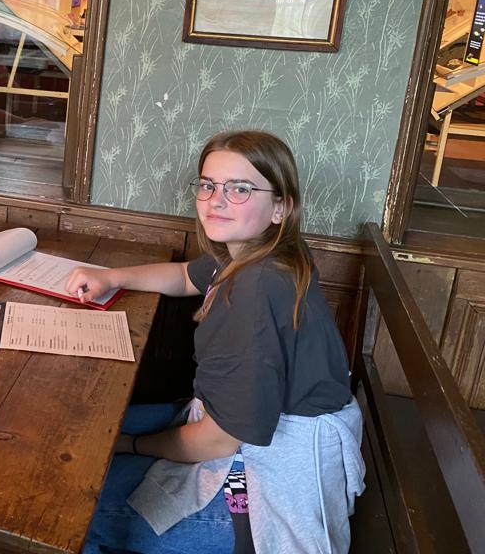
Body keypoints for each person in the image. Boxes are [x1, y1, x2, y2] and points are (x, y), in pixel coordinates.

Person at [66, 130, 364, 554]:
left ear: (281, 207)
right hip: (244, 435)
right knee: (87, 428)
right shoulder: (256, 253)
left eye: (239, 189)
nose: (216, 201)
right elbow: (185, 276)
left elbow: (219, 440)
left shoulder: (256, 289)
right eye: (208, 185)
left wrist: (132, 446)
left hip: (265, 493)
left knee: (74, 501)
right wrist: (112, 277)